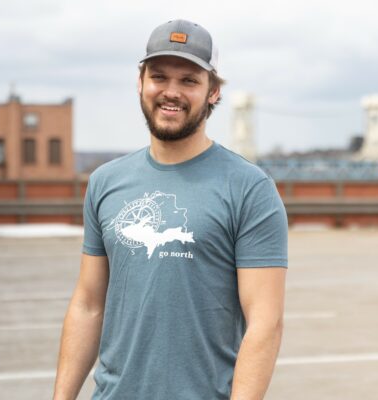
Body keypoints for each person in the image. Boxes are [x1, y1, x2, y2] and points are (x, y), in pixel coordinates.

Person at [53, 19, 288, 400]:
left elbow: (266, 323)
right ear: (141, 82)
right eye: (159, 77)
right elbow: (88, 305)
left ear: (213, 91)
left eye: (189, 81)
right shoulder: (105, 182)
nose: (171, 92)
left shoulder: (249, 189)